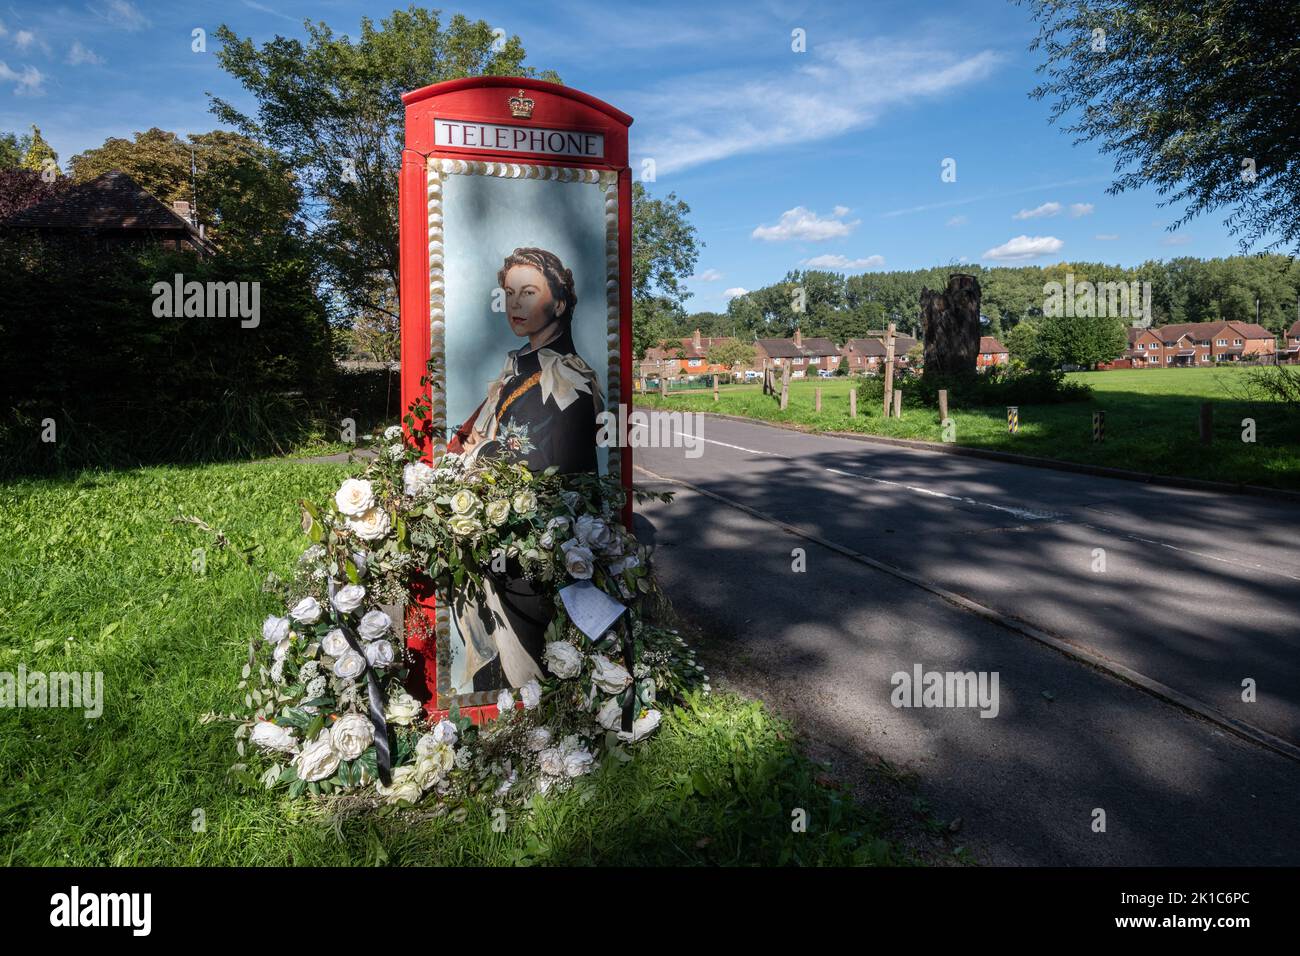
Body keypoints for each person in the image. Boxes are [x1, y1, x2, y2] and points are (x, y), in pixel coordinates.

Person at [449, 247, 603, 692]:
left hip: (537, 545)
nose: (515, 304)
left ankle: (536, 722)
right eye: (509, 293)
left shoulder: (566, 373)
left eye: (529, 293)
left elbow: (537, 456)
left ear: (558, 303)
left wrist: (480, 454)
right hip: (507, 533)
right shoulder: (521, 364)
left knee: (530, 669)